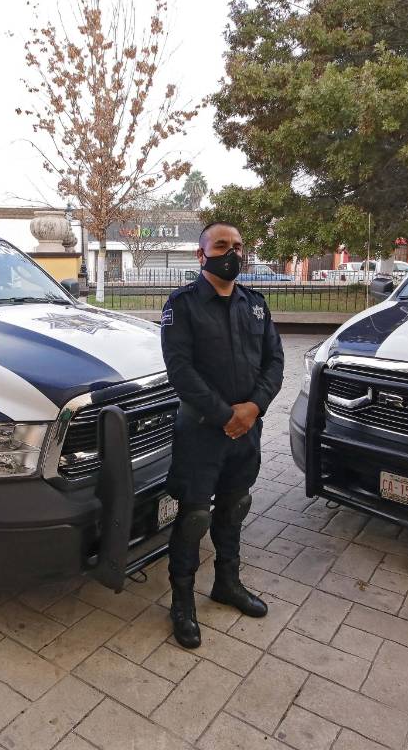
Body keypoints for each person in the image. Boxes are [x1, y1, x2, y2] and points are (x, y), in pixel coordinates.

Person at [160, 221, 284, 648]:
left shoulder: (255, 304)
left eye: (237, 246)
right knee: (194, 517)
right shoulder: (183, 305)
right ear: (201, 255)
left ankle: (227, 584)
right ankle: (182, 602)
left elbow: (275, 361)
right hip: (201, 433)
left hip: (246, 432)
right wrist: (224, 415)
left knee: (235, 508)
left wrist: (253, 408)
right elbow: (180, 371)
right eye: (221, 245)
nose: (231, 252)